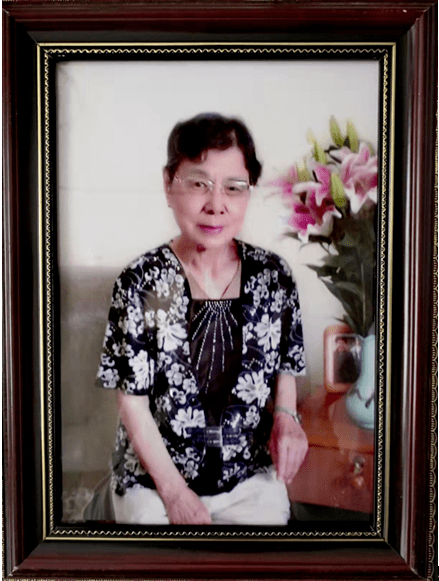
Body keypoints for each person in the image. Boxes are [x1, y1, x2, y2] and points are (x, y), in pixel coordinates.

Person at [95, 113, 308, 525]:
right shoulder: (140, 282)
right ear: (168, 184)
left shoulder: (274, 276)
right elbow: (132, 403)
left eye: (234, 187)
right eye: (198, 184)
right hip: (153, 482)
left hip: (247, 477)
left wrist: (286, 415)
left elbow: (286, 361)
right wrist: (175, 494)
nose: (216, 204)